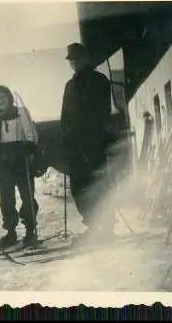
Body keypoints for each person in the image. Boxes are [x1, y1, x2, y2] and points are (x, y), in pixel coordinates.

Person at [60, 42, 115, 242]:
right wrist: (65, 137)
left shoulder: (99, 80)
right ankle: (93, 225)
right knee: (79, 187)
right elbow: (65, 115)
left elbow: (102, 112)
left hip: (93, 142)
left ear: (86, 59)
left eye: (77, 59)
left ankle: (107, 226)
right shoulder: (70, 85)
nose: (74, 63)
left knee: (99, 184)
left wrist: (93, 135)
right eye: (71, 60)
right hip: (74, 144)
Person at [0, 85, 40, 248]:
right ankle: (10, 232)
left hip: (20, 155)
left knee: (27, 195)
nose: (0, 101)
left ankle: (30, 230)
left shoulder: (21, 112)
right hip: (3, 159)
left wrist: (29, 146)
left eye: (3, 97)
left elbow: (30, 133)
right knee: (6, 198)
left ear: (9, 97)